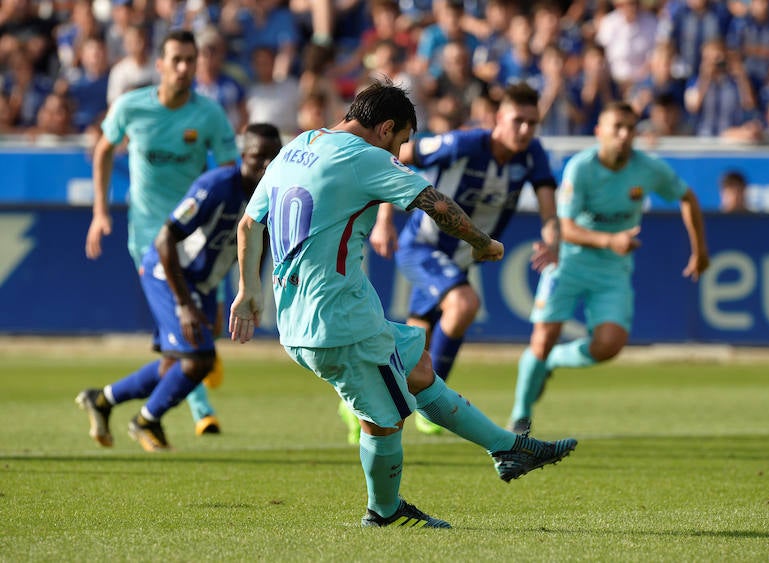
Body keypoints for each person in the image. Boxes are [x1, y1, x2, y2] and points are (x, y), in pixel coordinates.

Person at [228, 81, 577, 529]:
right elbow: (436, 203)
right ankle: (384, 512)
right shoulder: (365, 157)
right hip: (339, 321)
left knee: (419, 367)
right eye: (402, 141)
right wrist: (483, 242)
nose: (400, 151)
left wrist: (248, 293)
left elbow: (247, 225)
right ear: (386, 127)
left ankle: (506, 448)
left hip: (308, 315)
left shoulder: (301, 143)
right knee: (385, 420)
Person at [364, 82, 559, 439]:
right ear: (498, 119)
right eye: (518, 121)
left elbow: (548, 207)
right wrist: (384, 220)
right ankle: (429, 400)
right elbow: (394, 160)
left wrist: (552, 241)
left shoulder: (533, 155)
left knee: (414, 345)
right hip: (422, 246)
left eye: (533, 124)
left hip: (461, 259)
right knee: (465, 303)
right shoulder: (463, 144)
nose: (526, 131)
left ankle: (364, 403)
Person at [76, 123, 283, 451]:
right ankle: (146, 420)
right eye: (259, 157)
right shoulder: (215, 185)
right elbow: (164, 239)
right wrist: (185, 304)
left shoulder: (271, 196)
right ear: (243, 155)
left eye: (274, 157)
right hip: (167, 272)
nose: (266, 165)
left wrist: (250, 290)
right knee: (200, 359)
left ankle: (101, 400)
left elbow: (259, 243)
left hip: (200, 283)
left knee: (173, 365)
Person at [508, 102, 709, 434]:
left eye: (630, 128)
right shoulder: (581, 168)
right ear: (599, 132)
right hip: (568, 262)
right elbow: (566, 227)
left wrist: (700, 250)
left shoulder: (648, 168)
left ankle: (553, 362)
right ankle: (520, 416)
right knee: (542, 339)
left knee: (609, 345)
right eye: (617, 127)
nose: (624, 135)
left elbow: (687, 197)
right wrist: (610, 240)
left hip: (612, 270)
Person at [84, 29, 239, 437]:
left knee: (182, 350)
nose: (185, 67)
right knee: (194, 347)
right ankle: (161, 419)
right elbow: (102, 150)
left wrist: (223, 286)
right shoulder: (132, 107)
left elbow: (231, 175)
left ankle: (103, 399)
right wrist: (100, 211)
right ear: (160, 65)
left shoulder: (209, 115)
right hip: (150, 242)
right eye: (177, 60)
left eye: (191, 59)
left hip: (196, 244)